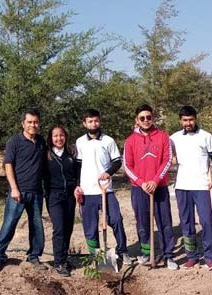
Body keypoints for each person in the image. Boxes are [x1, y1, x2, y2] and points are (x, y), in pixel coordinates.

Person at [0, 108, 47, 273]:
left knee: (37, 226)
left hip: (36, 192)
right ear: (23, 124)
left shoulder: (42, 142)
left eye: (35, 122)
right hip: (18, 192)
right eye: (29, 122)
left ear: (39, 124)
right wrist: (14, 189)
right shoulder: (14, 141)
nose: (33, 125)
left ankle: (34, 256)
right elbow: (8, 166)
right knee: (9, 224)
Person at [123, 104, 177, 270]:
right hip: (140, 189)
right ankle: (147, 252)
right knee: (143, 223)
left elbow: (167, 160)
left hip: (159, 187)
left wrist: (155, 180)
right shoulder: (130, 141)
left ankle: (169, 255)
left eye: (149, 117)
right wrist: (142, 182)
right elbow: (127, 165)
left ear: (153, 118)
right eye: (142, 118)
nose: (146, 120)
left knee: (164, 222)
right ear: (137, 120)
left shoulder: (163, 137)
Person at [74, 109, 132, 265]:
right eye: (90, 121)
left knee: (116, 219)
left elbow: (117, 161)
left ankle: (123, 251)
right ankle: (96, 256)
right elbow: (78, 165)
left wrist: (108, 173)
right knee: (90, 225)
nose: (94, 124)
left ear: (100, 121)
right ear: (85, 123)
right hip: (87, 191)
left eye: (96, 120)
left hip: (106, 189)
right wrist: (77, 185)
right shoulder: (80, 142)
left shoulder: (108, 141)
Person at [170, 105, 212, 271]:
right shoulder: (174, 138)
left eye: (191, 119)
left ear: (195, 119)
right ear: (180, 121)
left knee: (206, 221)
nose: (188, 123)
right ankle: (192, 256)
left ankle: (210, 257)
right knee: (186, 222)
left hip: (202, 186)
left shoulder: (206, 136)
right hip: (182, 186)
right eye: (185, 120)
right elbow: (168, 159)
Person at [44, 126, 79, 277]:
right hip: (54, 196)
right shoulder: (46, 156)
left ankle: (64, 258)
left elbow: (77, 172)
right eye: (55, 136)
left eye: (62, 135)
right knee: (58, 229)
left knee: (68, 228)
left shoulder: (71, 153)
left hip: (70, 196)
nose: (59, 139)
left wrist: (77, 185)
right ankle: (58, 262)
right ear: (50, 138)